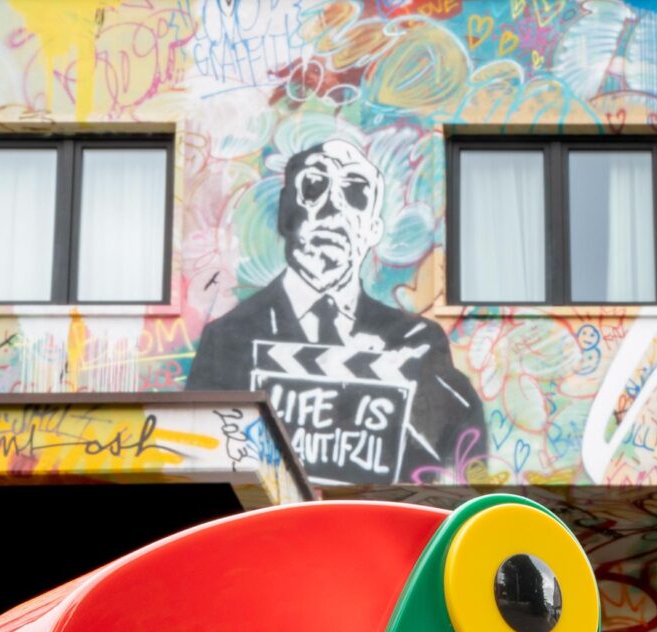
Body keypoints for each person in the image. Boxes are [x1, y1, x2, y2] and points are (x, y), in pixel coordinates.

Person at [189, 139, 486, 484]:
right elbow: (200, 462)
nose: (333, 207)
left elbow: (460, 456)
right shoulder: (230, 337)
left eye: (355, 193)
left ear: (373, 230)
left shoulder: (416, 341)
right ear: (285, 212)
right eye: (314, 186)